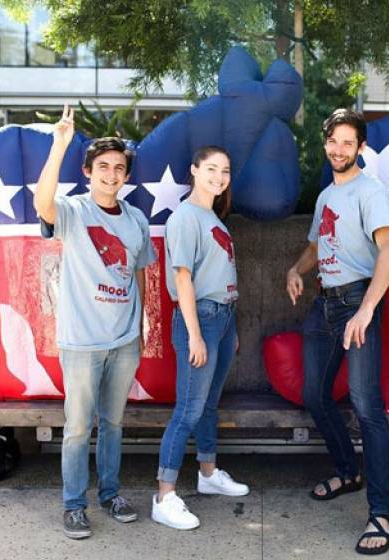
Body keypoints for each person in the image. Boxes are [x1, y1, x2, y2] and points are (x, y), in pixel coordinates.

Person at [34, 105, 155, 540]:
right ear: (88, 171)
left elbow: (140, 273)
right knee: (79, 427)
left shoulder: (137, 219)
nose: (111, 174)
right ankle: (73, 504)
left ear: (126, 176)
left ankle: (110, 494)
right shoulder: (73, 211)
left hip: (123, 341)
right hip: (82, 342)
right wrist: (59, 145)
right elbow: (42, 203)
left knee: (114, 424)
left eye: (119, 168)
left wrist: (142, 329)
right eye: (103, 167)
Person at [286, 108, 389, 555]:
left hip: (359, 302)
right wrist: (296, 269)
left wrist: (367, 310)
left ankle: (382, 512)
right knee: (314, 395)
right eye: (333, 142)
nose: (339, 149)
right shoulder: (327, 196)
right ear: (326, 144)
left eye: (348, 143)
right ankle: (348, 471)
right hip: (326, 302)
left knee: (366, 405)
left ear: (361, 148)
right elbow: (318, 243)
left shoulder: (369, 192)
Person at [151, 146, 249, 531]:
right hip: (201, 320)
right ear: (194, 171)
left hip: (223, 318)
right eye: (211, 169)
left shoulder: (213, 218)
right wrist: (195, 334)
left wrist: (231, 330)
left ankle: (207, 474)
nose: (219, 177)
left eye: (225, 170)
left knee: (209, 404)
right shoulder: (185, 218)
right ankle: (164, 496)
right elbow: (182, 279)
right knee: (188, 411)